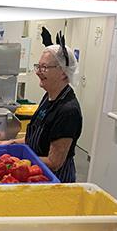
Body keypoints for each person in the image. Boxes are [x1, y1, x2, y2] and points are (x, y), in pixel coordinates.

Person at [25, 42, 84, 181]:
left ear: (63, 73)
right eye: (38, 66)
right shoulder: (49, 96)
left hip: (55, 179)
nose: (38, 71)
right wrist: (11, 143)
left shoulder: (68, 112)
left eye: (44, 67)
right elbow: (41, 138)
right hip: (37, 171)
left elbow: (54, 163)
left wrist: (20, 159)